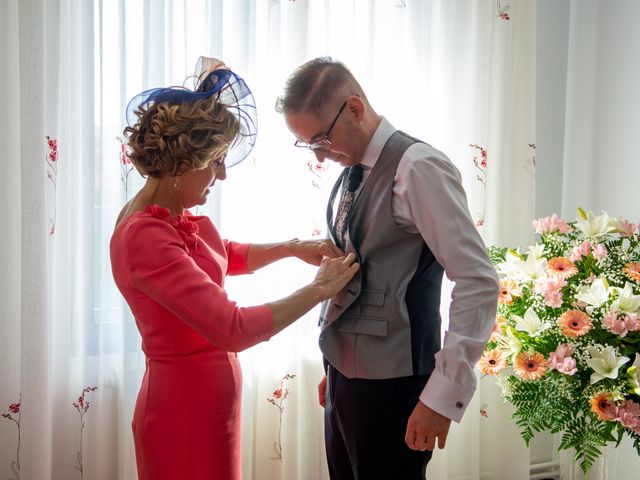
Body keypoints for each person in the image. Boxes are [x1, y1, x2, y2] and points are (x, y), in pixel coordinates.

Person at [110, 57, 359, 480]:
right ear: (180, 165)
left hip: (208, 408)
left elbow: (219, 254)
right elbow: (233, 328)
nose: (221, 175)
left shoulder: (168, 218)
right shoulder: (143, 236)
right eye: (216, 161)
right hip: (182, 414)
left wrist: (292, 247)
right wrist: (318, 290)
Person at [277, 57, 500, 479]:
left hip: (394, 385)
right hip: (348, 381)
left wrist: (441, 396)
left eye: (322, 139)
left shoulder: (418, 167)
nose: (320, 157)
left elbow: (477, 280)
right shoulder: (353, 169)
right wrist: (336, 367)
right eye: (309, 146)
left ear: (355, 109)